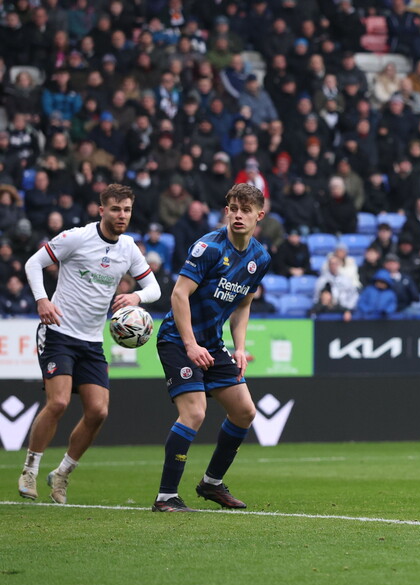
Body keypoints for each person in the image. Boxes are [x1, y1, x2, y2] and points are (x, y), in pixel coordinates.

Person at [18, 184, 161, 504]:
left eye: (126, 210)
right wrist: (42, 300)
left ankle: (62, 473)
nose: (121, 215)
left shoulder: (128, 247)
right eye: (115, 209)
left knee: (98, 411)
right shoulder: (76, 237)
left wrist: (136, 296)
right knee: (58, 403)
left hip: (92, 340)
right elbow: (32, 264)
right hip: (58, 333)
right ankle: (30, 468)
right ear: (101, 210)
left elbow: (154, 289)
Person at [151, 184, 272, 512]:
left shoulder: (260, 257)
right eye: (232, 208)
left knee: (245, 412)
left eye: (245, 210)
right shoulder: (208, 248)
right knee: (194, 413)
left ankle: (211, 483)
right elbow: (179, 295)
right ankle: (166, 497)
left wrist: (239, 347)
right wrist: (190, 345)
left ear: (259, 215)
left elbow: (243, 305)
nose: (237, 215)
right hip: (178, 339)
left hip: (213, 344)